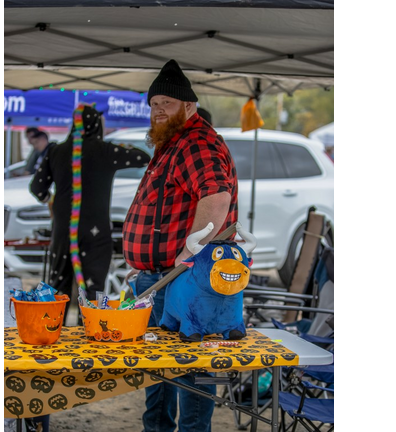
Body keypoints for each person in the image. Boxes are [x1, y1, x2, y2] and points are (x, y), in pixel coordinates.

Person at [122, 59, 238, 432]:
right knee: (160, 369)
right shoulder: (173, 141)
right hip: (158, 278)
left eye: (166, 104)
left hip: (182, 280)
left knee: (189, 368)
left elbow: (216, 198)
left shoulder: (194, 142)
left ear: (187, 106)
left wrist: (190, 253)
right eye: (153, 104)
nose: (157, 111)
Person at [30, 103, 151, 321]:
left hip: (63, 232)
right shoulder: (105, 151)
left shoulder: (56, 151)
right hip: (95, 233)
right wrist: (111, 145)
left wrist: (51, 200)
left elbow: (37, 187)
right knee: (93, 291)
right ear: (96, 125)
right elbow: (142, 157)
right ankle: (89, 336)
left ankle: (54, 336)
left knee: (58, 287)